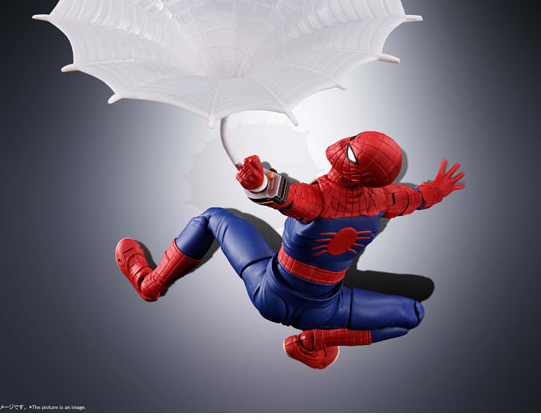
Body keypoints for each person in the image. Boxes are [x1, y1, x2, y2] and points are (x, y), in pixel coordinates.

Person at [116, 131, 465, 369]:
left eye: (350, 150)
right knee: (413, 314)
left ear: (359, 172)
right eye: (354, 139)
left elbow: (282, 195)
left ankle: (150, 284)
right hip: (325, 310)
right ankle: (313, 343)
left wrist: (259, 183)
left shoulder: (317, 200)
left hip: (271, 292)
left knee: (212, 218)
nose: (342, 143)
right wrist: (438, 189)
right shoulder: (383, 200)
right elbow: (416, 198)